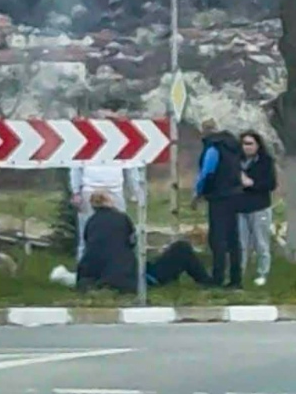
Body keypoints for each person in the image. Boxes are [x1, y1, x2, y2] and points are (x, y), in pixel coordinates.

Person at [51, 190, 213, 291]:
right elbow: (132, 244)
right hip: (131, 278)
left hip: (99, 275)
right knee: (181, 248)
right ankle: (206, 282)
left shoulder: (91, 223)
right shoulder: (121, 219)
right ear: (110, 202)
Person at [69, 109, 143, 262]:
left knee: (120, 230)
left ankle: (121, 265)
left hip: (114, 191)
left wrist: (136, 191)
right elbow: (76, 167)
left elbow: (131, 166)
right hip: (90, 190)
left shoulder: (121, 141)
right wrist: (76, 192)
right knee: (86, 233)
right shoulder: (86, 140)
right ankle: (83, 272)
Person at [191, 119, 244, 289]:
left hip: (218, 197)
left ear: (204, 131)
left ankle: (217, 278)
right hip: (235, 195)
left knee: (218, 239)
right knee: (233, 239)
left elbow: (207, 172)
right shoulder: (233, 146)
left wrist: (198, 194)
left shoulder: (213, 147)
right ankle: (236, 279)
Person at [238, 130, 277, 286]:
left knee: (261, 243)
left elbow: (271, 184)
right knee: (241, 244)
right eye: (243, 144)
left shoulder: (265, 161)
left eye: (250, 144)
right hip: (240, 208)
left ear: (257, 145)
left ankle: (263, 273)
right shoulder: (236, 162)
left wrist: (252, 183)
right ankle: (238, 273)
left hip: (259, 207)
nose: (246, 147)